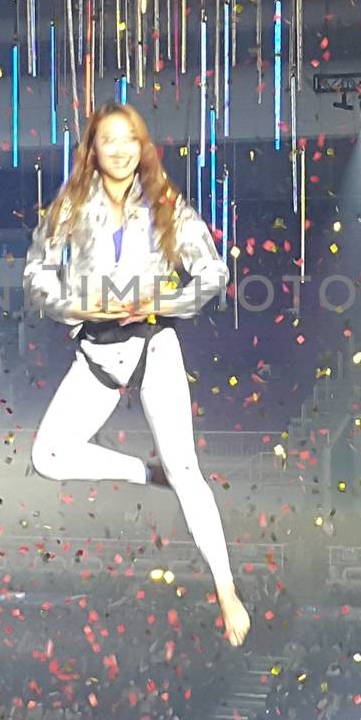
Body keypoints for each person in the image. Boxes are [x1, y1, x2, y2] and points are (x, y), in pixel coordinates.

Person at [23, 103, 247, 647]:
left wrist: (159, 299)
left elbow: (213, 272)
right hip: (95, 353)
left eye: (129, 140)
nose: (119, 150)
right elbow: (36, 279)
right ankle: (148, 474)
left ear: (142, 146)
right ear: (93, 150)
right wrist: (82, 307)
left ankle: (227, 590)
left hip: (154, 346)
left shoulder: (167, 204)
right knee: (46, 457)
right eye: (108, 141)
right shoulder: (69, 206)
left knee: (188, 469)